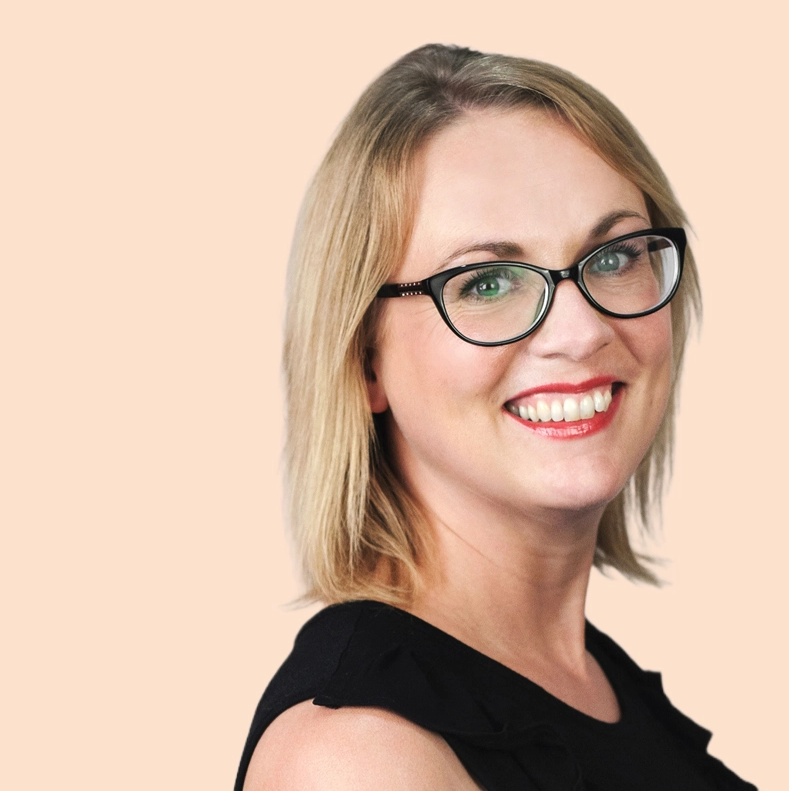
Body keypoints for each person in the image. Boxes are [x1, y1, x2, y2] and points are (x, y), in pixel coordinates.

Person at [236, 44, 755, 790]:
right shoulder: (360, 759)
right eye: (486, 282)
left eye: (613, 257)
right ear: (364, 359)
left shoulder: (596, 684)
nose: (580, 332)